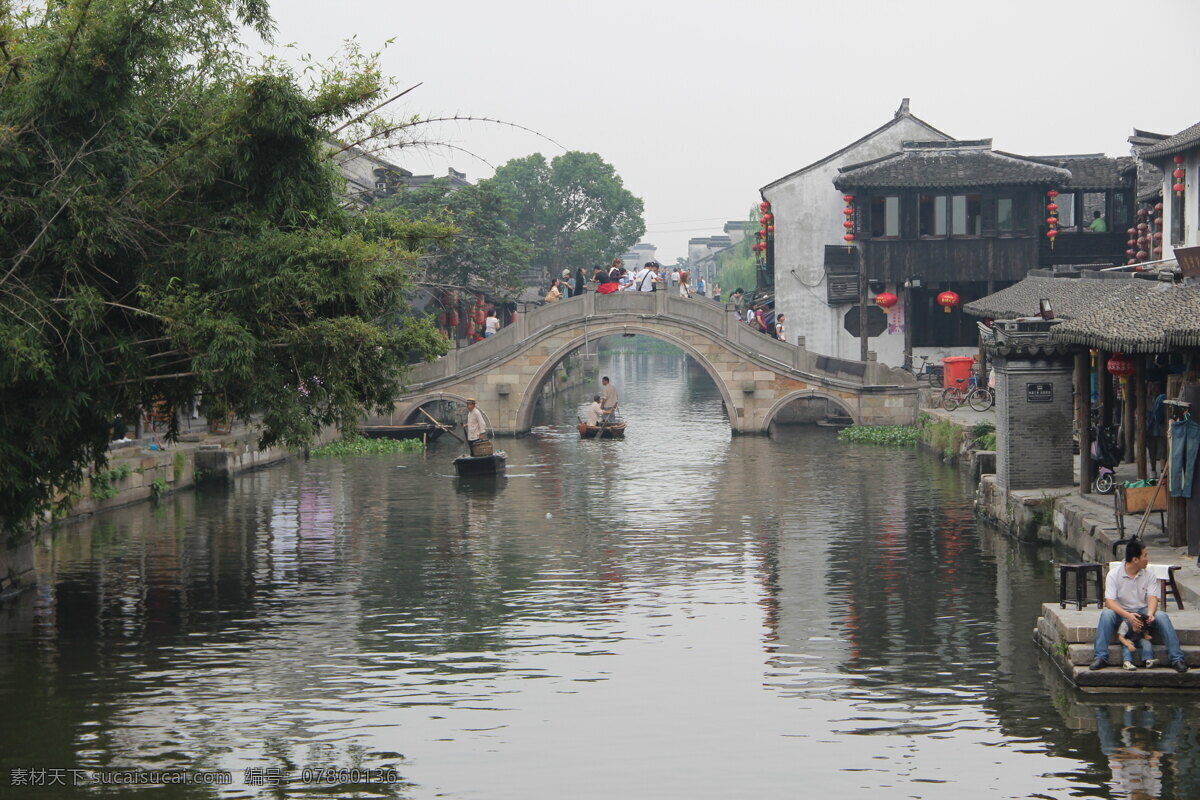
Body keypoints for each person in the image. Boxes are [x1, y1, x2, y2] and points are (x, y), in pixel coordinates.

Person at [1090, 540, 1188, 672]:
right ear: (1135, 559)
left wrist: (1150, 614)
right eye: (1145, 555)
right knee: (1106, 615)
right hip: (1122, 614)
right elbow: (1110, 602)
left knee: (1162, 616)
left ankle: (1177, 659)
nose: (1147, 559)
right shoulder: (1114, 575)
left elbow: (1152, 598)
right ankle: (1101, 657)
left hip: (1143, 613)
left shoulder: (1149, 574)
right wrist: (1128, 616)